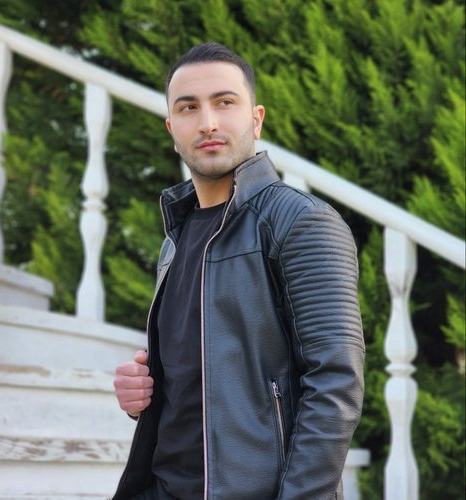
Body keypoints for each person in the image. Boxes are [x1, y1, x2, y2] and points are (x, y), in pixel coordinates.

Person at [112, 42, 365, 500]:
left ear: (256, 118)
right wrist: (141, 397)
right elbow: (201, 384)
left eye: (224, 102)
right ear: (172, 129)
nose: (207, 122)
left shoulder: (300, 222)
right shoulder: (176, 239)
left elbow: (336, 383)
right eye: (188, 108)